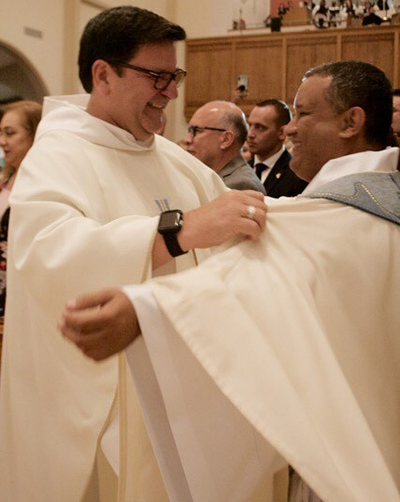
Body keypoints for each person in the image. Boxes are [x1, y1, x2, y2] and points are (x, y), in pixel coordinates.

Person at [60, 60, 400, 502]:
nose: (289, 129)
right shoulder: (384, 204)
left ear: (351, 122)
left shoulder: (317, 220)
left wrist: (144, 310)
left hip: (340, 470)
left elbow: (235, 292)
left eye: (304, 114)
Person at [0, 6, 268, 502]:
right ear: (103, 74)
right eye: (157, 76)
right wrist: (178, 232)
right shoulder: (57, 156)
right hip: (105, 402)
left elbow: (242, 230)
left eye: (175, 75)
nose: (171, 91)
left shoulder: (176, 162)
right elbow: (49, 254)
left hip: (184, 395)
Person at [0, 100, 42, 317]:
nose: (2, 141)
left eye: (10, 133)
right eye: (1, 133)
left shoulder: (41, 184)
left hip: (19, 291)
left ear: (34, 135)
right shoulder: (4, 182)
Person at [183, 101, 265, 192]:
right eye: (189, 130)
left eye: (197, 130)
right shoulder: (211, 175)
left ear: (226, 139)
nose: (187, 139)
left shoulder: (241, 185)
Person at [247, 99, 306, 197]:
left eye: (260, 127)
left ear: (282, 133)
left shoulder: (297, 174)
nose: (250, 134)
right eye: (250, 125)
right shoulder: (243, 170)